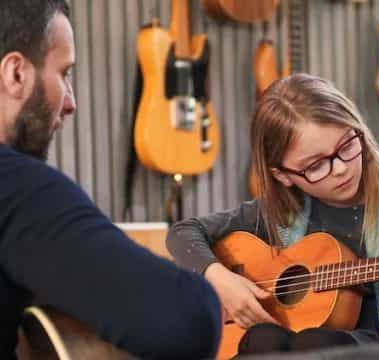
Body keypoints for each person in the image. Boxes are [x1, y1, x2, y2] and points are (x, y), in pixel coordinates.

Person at [167, 73, 379, 356]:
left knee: (316, 344)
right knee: (261, 339)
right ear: (283, 175)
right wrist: (222, 279)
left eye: (346, 145)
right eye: (316, 165)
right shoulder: (281, 212)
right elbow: (182, 233)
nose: (340, 168)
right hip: (307, 346)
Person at [0, 1, 221, 359]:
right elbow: (191, 319)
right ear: (16, 74)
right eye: (64, 73)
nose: (70, 102)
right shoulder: (19, 188)